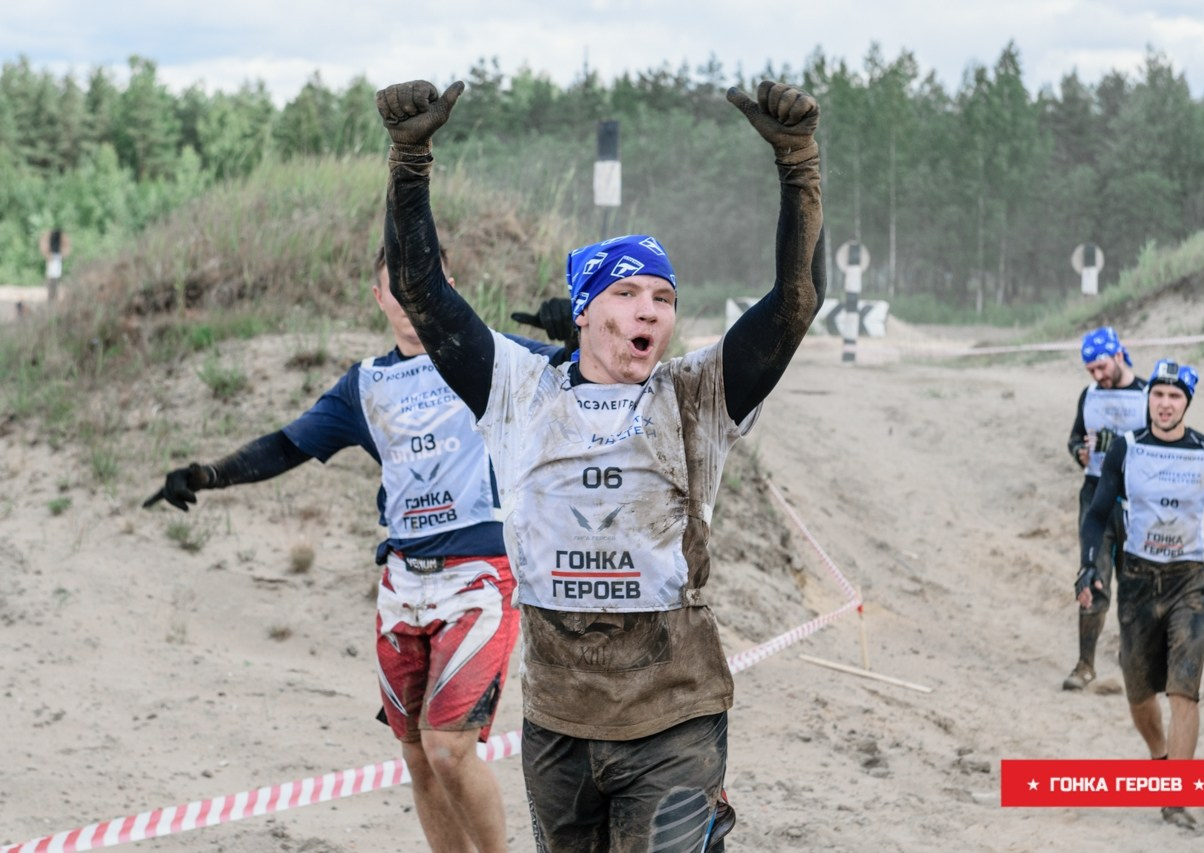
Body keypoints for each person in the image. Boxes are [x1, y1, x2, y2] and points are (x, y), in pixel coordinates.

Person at [375, 77, 824, 851]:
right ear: (584, 309)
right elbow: (421, 290)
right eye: (627, 292)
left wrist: (799, 165)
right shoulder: (516, 389)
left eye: (664, 297)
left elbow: (794, 301)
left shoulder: (698, 395)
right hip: (559, 720)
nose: (650, 309)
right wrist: (409, 159)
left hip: (674, 716)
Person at [145, 247, 573, 853]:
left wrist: (577, 330)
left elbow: (588, 378)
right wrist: (207, 474)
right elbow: (287, 445)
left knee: (450, 748)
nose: (407, 303)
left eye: (421, 288)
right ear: (378, 300)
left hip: (482, 577)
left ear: (447, 288)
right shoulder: (365, 385)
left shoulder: (494, 356)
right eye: (394, 291)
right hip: (402, 586)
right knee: (419, 758)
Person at [1076, 359, 1204, 830]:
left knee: (1184, 688)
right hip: (1135, 578)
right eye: (1158, 395)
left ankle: (1175, 795)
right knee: (1138, 692)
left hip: (1188, 581)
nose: (1165, 404)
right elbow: (1095, 513)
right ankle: (1160, 758)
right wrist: (1088, 565)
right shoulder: (1127, 449)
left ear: (1187, 403)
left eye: (1175, 397)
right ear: (1148, 398)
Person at [1062, 326, 1147, 690]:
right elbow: (1075, 437)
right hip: (1096, 497)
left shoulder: (1149, 395)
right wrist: (1078, 451)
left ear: (1117, 356)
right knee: (1091, 578)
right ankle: (1085, 665)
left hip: (1138, 503)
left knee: (1138, 585)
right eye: (1090, 370)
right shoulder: (1090, 395)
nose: (1097, 376)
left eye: (1101, 367)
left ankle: (1138, 665)